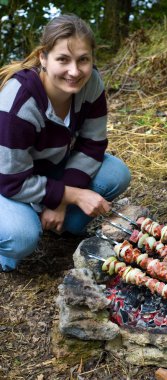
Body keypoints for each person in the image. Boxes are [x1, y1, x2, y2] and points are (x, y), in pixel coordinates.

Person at [0, 13, 131, 272]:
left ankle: (63, 222)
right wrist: (70, 194)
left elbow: (93, 144)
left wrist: (59, 200)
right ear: (44, 58)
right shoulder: (18, 103)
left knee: (116, 173)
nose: (74, 71)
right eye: (63, 59)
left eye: (83, 59)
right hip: (7, 179)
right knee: (22, 237)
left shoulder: (90, 82)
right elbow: (11, 180)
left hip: (46, 170)